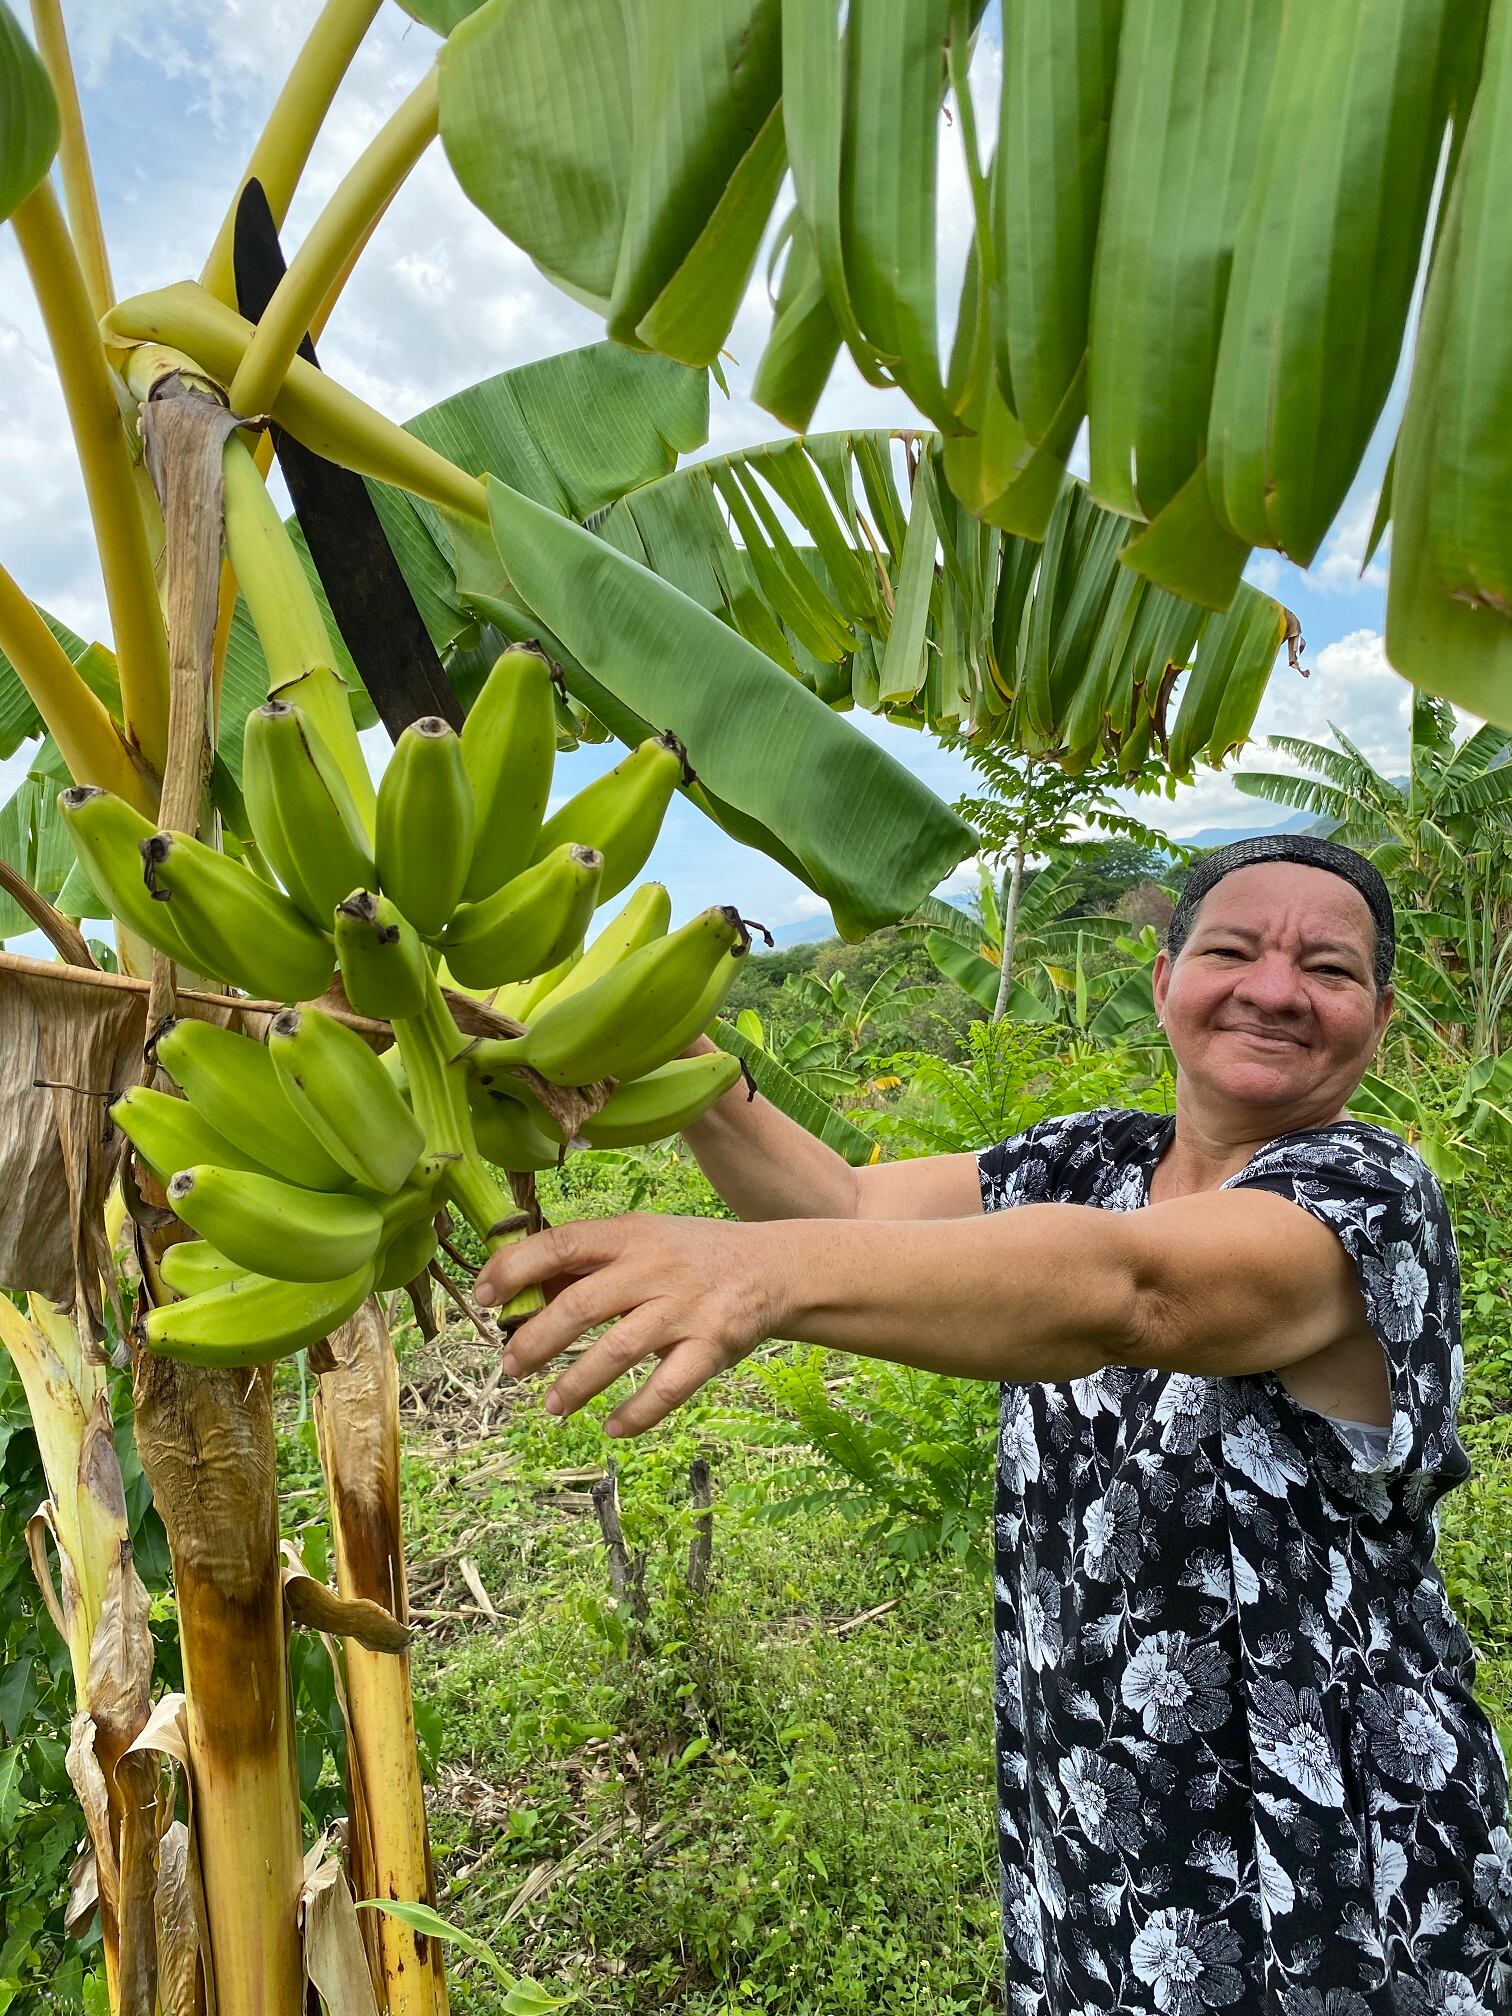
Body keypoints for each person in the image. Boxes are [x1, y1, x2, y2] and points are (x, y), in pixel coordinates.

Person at [474, 834, 1512, 2014]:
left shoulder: (1370, 1192)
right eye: (1232, 949)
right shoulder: (1089, 1157)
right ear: (1165, 977)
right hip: (1098, 1804)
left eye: (1326, 970)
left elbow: (1135, 1292)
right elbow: (850, 1206)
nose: (1274, 989)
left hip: (1325, 1834)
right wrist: (674, 1050)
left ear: (1375, 1020)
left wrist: (754, 1273)